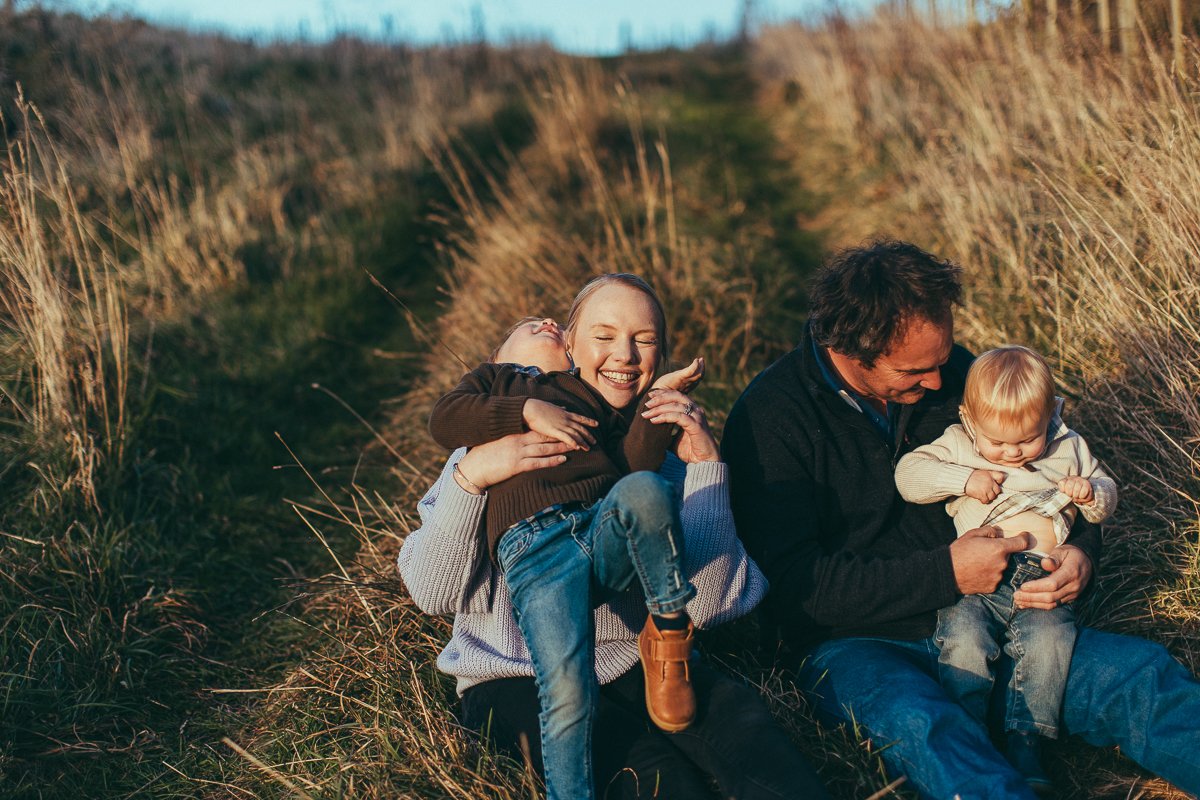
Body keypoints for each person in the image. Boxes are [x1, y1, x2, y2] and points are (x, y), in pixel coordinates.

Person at [721, 240, 1200, 800]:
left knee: (1142, 678)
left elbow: (1054, 466)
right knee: (934, 731)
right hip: (859, 646)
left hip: (1007, 618)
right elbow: (791, 588)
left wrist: (1081, 553)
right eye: (914, 371)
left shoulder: (958, 376)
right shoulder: (770, 419)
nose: (935, 383)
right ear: (848, 349)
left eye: (942, 360)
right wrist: (946, 574)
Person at [400, 273, 829, 800]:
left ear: (661, 358)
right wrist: (475, 474)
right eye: (603, 337)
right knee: (654, 781)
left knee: (750, 736)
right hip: (519, 676)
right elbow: (433, 593)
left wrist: (706, 469)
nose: (624, 354)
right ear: (572, 349)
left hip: (645, 662)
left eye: (644, 340)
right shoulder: (483, 454)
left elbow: (714, 603)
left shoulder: (664, 463)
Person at [427, 310, 706, 800]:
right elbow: (444, 417)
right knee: (567, 693)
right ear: (499, 353)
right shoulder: (496, 384)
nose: (549, 321)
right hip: (535, 550)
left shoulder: (591, 398)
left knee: (644, 489)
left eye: (556, 322)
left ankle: (668, 628)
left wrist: (656, 403)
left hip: (597, 529)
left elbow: (631, 465)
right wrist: (526, 411)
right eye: (533, 323)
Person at [894, 345, 1118, 791]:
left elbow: (1107, 494)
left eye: (1026, 440)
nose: (1012, 453)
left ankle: (1026, 739)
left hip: (1042, 578)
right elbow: (908, 476)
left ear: (1050, 416)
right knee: (964, 640)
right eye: (997, 442)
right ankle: (971, 729)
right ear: (970, 420)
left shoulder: (1067, 446)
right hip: (976, 582)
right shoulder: (959, 443)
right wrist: (961, 479)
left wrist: (1091, 492)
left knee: (1051, 643)